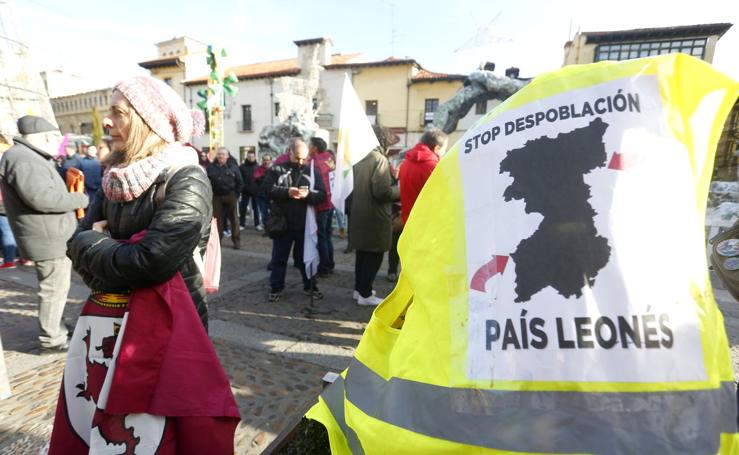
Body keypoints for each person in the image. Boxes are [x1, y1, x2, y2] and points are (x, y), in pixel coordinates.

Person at [54, 75, 238, 454]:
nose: (107, 121)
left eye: (118, 113)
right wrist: (102, 247)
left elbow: (151, 261)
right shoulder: (113, 179)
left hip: (168, 330)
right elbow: (77, 248)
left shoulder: (188, 179)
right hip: (111, 327)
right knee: (113, 430)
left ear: (147, 120)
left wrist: (98, 243)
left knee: (162, 435)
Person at [0, 115, 89, 352]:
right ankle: (52, 338)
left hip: (48, 236)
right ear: (47, 137)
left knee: (56, 288)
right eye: (56, 140)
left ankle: (54, 327)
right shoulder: (24, 159)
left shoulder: (23, 156)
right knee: (53, 290)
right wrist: (80, 198)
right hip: (47, 239)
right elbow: (41, 198)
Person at [263, 138, 326, 302]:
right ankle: (276, 287)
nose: (300, 161)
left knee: (306, 258)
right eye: (297, 157)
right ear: (289, 152)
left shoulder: (312, 171)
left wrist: (308, 195)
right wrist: (287, 192)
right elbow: (266, 190)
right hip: (283, 224)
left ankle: (310, 286)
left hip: (305, 225)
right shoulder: (277, 169)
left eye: (304, 158)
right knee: (279, 258)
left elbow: (322, 195)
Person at [348, 125, 400, 306]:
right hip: (375, 217)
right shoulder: (379, 159)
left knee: (362, 255)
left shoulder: (360, 158)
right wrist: (398, 190)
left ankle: (359, 289)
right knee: (374, 255)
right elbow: (382, 192)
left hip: (359, 214)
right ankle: (365, 293)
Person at [399, 128, 448, 225]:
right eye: (444, 149)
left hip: (408, 221)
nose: (445, 153)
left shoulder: (406, 163)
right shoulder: (434, 167)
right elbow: (443, 198)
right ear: (437, 148)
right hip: (428, 223)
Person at [308, 137, 336, 275]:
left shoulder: (313, 162)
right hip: (331, 201)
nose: (308, 147)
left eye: (310, 145)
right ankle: (330, 263)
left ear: (315, 148)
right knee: (328, 235)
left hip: (321, 203)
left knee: (322, 236)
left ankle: (324, 266)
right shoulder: (329, 158)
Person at [207, 147, 243, 249]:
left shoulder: (234, 167)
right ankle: (218, 241)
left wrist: (236, 195)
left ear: (227, 156)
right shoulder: (210, 167)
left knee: (234, 219)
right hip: (216, 197)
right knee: (217, 220)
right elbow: (207, 182)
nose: (220, 156)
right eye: (219, 154)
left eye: (223, 154)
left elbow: (240, 183)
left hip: (231, 196)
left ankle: (236, 240)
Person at [239, 150, 259, 229]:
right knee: (243, 209)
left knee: (256, 208)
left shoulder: (258, 167)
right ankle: (242, 224)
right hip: (245, 191)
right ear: (247, 157)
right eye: (249, 156)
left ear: (255, 157)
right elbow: (239, 178)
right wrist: (242, 188)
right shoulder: (242, 167)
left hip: (255, 191)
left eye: (252, 156)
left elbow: (260, 179)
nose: (251, 158)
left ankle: (257, 224)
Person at [253, 153, 272, 232]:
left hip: (272, 195)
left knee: (272, 213)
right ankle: (267, 229)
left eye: (267, 160)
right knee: (264, 213)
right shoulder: (258, 169)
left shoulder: (273, 169)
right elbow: (256, 178)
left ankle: (272, 227)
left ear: (270, 161)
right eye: (264, 160)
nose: (266, 162)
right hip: (261, 195)